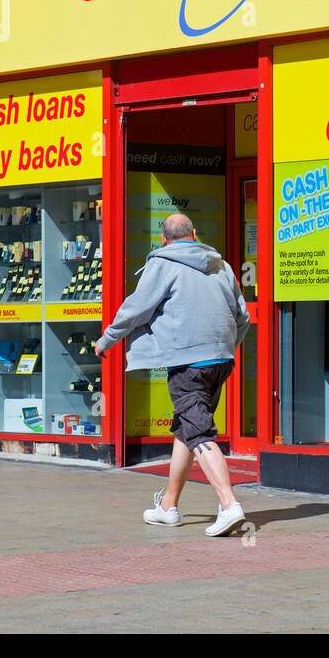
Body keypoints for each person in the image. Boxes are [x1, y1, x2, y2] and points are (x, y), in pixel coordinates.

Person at [95, 213, 251, 535]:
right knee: (186, 427)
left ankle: (229, 505)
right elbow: (243, 316)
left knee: (199, 433)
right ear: (194, 233)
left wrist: (107, 338)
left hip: (188, 365)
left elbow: (136, 308)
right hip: (220, 360)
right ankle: (168, 507)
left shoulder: (162, 263)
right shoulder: (222, 266)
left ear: (163, 240)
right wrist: (225, 347)